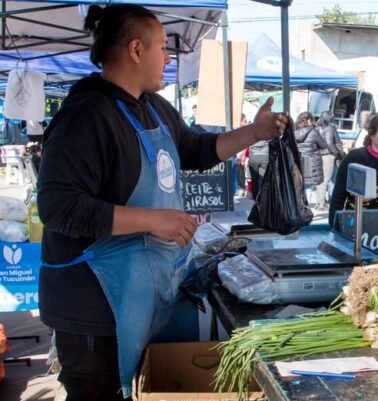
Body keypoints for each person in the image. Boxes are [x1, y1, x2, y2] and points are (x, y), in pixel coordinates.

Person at [36, 5, 286, 400]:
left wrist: (254, 132)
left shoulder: (152, 106)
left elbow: (196, 150)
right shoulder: (86, 116)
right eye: (162, 48)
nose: (168, 58)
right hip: (92, 309)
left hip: (141, 298)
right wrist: (154, 220)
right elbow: (58, 207)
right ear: (136, 50)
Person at [294, 111, 329, 207]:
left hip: (298, 161)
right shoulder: (313, 132)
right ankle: (306, 207)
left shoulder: (294, 132)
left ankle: (300, 206)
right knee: (308, 186)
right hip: (310, 162)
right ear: (309, 120)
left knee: (299, 186)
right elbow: (323, 145)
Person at [316, 110, 344, 210]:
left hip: (325, 155)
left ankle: (321, 202)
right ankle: (321, 203)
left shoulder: (323, 128)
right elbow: (329, 143)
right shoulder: (330, 128)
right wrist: (336, 153)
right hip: (329, 155)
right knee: (326, 180)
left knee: (327, 180)